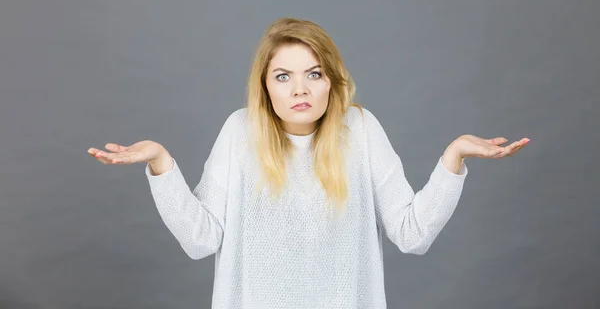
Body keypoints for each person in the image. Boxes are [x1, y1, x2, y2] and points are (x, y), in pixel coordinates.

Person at [87, 17, 529, 308]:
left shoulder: (360, 130)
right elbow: (202, 241)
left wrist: (453, 159)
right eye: (284, 76)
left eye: (313, 73)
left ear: (331, 81)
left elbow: (411, 235)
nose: (300, 89)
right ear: (265, 86)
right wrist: (162, 164)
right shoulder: (241, 132)